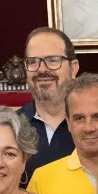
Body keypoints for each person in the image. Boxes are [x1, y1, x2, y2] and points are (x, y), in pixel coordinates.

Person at [20, 27, 80, 181]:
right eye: (33, 62)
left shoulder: (94, 127)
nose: (42, 69)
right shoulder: (10, 127)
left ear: (73, 68)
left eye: (53, 60)